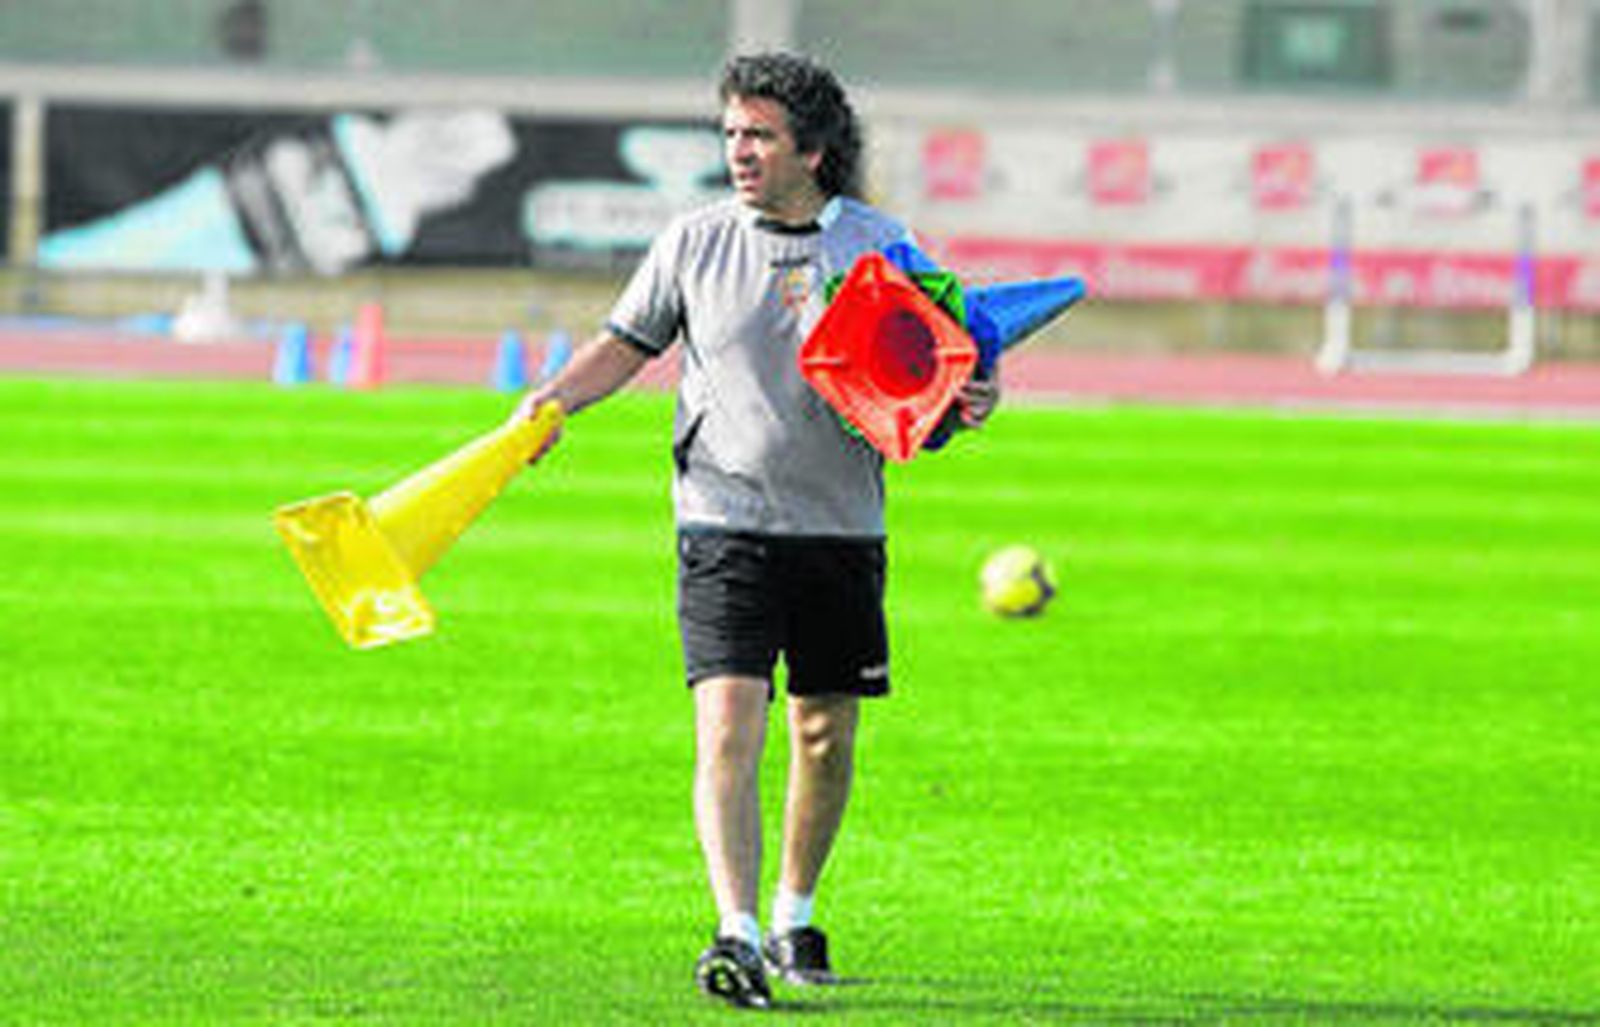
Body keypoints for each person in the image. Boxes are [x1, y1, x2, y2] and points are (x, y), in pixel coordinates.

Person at [512, 52, 999, 1010]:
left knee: (822, 734)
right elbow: (627, 342)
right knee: (728, 724)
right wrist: (556, 400)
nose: (739, 151)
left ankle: (794, 910)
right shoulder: (692, 240)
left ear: (812, 151)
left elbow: (948, 363)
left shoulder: (883, 247)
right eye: (731, 133)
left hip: (840, 528)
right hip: (721, 520)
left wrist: (971, 396)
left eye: (760, 136)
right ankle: (732, 931)